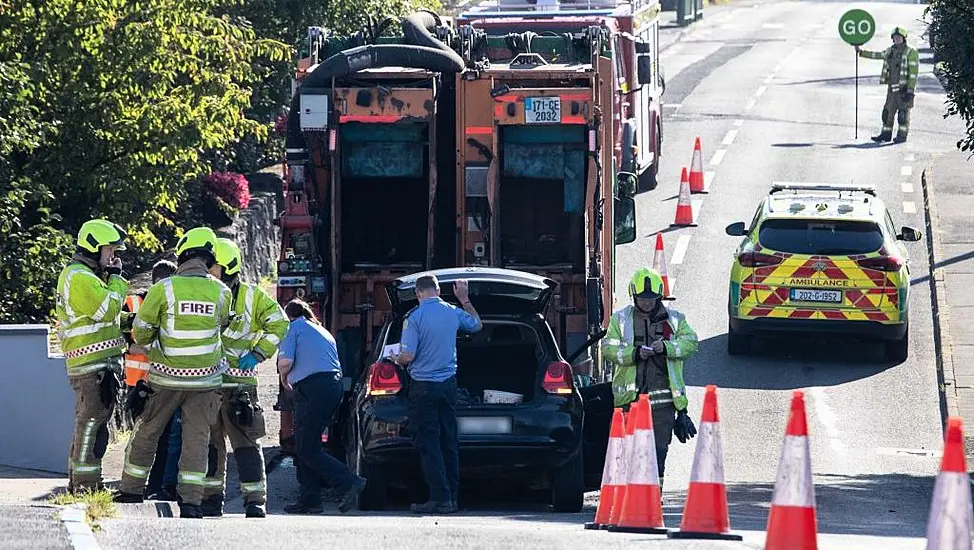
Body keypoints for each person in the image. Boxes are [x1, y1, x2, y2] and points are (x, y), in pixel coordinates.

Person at [115, 227, 233, 519]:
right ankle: (191, 502)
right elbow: (222, 326)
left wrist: (155, 339)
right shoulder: (222, 291)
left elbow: (141, 333)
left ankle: (131, 490)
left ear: (183, 255)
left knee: (147, 432)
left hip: (166, 378)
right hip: (206, 381)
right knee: (197, 439)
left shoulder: (163, 289)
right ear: (209, 259)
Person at [201, 238, 289, 518]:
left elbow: (280, 322)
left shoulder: (253, 297)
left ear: (229, 268)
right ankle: (212, 500)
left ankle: (255, 501)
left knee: (246, 445)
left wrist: (259, 354)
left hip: (238, 386)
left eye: (212, 269)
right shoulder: (206, 292)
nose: (208, 274)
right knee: (211, 446)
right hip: (210, 385)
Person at [602, 267, 698, 489]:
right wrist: (634, 353)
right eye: (642, 299)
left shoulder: (674, 320)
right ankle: (627, 497)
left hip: (662, 405)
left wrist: (666, 347)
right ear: (633, 296)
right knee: (627, 451)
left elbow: (691, 343)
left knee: (658, 452)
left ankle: (655, 497)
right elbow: (608, 348)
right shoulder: (621, 320)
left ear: (659, 297)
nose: (646, 303)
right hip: (629, 402)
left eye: (651, 299)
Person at [393, 275, 482, 515]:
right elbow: (476, 325)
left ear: (418, 293)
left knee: (428, 443)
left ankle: (440, 498)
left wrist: (396, 358)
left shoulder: (414, 318)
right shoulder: (452, 311)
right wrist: (464, 299)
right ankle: (452, 497)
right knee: (448, 441)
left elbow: (408, 356)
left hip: (423, 387)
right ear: (439, 290)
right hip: (448, 386)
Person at [56, 219, 129, 493]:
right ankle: (86, 486)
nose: (114, 256)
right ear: (94, 248)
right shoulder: (81, 277)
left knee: (92, 425)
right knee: (91, 426)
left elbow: (108, 319)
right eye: (110, 250)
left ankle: (82, 484)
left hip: (97, 365)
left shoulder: (88, 277)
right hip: (91, 366)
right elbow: (107, 310)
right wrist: (119, 281)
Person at [278, 299, 366, 515]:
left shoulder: (293, 327)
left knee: (306, 447)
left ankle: (349, 482)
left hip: (312, 388)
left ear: (288, 315)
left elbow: (286, 361)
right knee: (307, 444)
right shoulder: (320, 329)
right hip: (331, 387)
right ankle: (310, 500)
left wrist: (283, 377)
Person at [121, 259, 182, 502]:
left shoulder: (169, 304)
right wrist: (155, 349)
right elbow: (124, 339)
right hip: (143, 383)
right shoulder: (134, 303)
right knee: (147, 436)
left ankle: (151, 485)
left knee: (160, 437)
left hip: (157, 382)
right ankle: (140, 484)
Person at [856, 27, 920, 144]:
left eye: (899, 37)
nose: (897, 39)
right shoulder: (890, 51)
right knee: (887, 113)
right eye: (895, 38)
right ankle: (885, 135)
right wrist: (861, 52)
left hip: (904, 90)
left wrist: (910, 90)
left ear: (904, 39)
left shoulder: (911, 52)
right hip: (891, 90)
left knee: (903, 115)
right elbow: (878, 55)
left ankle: (901, 136)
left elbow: (913, 73)